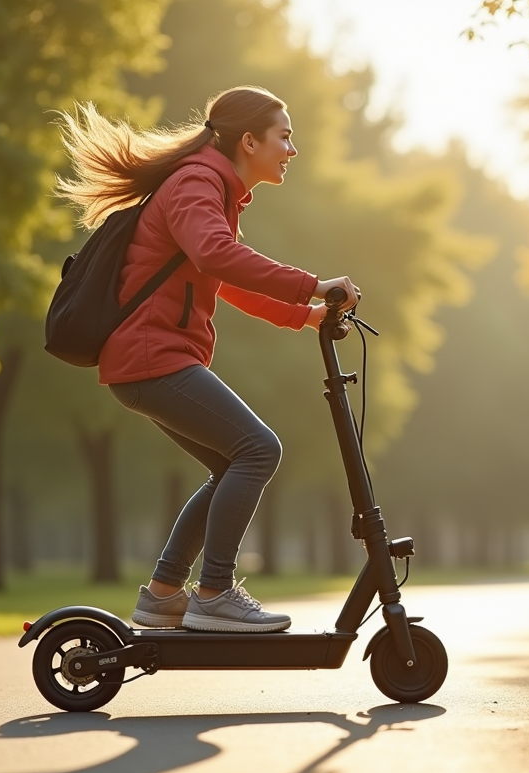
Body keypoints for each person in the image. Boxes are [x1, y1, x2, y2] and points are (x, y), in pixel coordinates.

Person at [56, 86, 359, 633]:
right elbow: (217, 254)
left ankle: (164, 593)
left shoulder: (212, 188)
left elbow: (223, 277)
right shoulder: (198, 182)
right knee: (258, 448)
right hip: (153, 356)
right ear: (249, 141)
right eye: (284, 137)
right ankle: (215, 592)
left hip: (152, 359)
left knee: (233, 463)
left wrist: (307, 313)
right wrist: (312, 284)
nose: (293, 150)